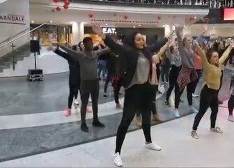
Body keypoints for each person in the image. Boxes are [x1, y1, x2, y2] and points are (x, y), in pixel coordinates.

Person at [91, 24, 170, 167]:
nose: (142, 41)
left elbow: (156, 45)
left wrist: (167, 38)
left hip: (146, 89)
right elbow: (114, 46)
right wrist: (102, 34)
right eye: (138, 39)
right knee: (126, 121)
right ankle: (117, 153)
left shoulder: (146, 51)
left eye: (142, 39)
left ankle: (148, 141)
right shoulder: (127, 51)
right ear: (133, 41)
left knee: (146, 117)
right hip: (133, 90)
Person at [52, 37, 110, 132]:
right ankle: (83, 123)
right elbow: (68, 50)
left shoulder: (96, 53)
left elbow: (107, 49)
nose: (92, 44)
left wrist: (110, 41)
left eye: (92, 42)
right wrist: (58, 44)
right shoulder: (80, 55)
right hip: (85, 83)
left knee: (95, 102)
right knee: (84, 103)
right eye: (89, 43)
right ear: (85, 44)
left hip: (95, 82)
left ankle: (95, 120)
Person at [191, 37, 234, 139]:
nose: (216, 58)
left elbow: (224, 56)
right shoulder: (207, 66)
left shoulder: (219, 64)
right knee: (201, 112)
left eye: (217, 56)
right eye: (214, 56)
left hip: (215, 93)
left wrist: (230, 47)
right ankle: (193, 130)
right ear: (210, 58)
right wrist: (196, 45)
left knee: (215, 110)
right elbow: (202, 55)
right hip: (207, 92)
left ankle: (212, 127)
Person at [174, 25, 200, 117]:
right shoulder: (182, 48)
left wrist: (203, 33)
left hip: (192, 71)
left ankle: (190, 106)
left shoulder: (192, 48)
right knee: (179, 91)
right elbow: (179, 38)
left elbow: (197, 41)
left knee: (190, 91)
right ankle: (176, 109)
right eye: (188, 40)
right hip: (185, 71)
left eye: (190, 40)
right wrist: (179, 29)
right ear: (184, 41)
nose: (190, 41)